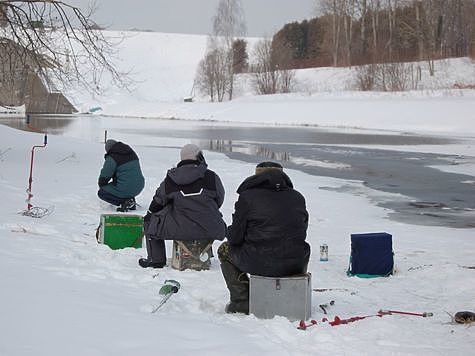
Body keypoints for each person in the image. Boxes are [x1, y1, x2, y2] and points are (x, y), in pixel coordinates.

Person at [219, 161, 310, 314]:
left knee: (224, 250)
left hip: (259, 262)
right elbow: (301, 231)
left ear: (256, 176)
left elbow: (235, 237)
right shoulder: (297, 197)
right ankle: (289, 293)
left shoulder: (248, 197)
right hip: (295, 263)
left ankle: (242, 302)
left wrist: (229, 232)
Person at [140, 144, 226, 268]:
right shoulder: (212, 177)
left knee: (150, 222)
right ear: (200, 157)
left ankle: (156, 260)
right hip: (212, 226)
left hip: (180, 228)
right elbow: (219, 199)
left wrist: (149, 215)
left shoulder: (171, 179)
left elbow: (158, 202)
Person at [97, 139, 145, 212]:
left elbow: (105, 176)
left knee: (102, 193)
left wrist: (102, 185)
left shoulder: (112, 158)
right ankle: (130, 201)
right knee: (125, 183)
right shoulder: (131, 153)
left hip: (126, 187)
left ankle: (125, 202)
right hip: (139, 186)